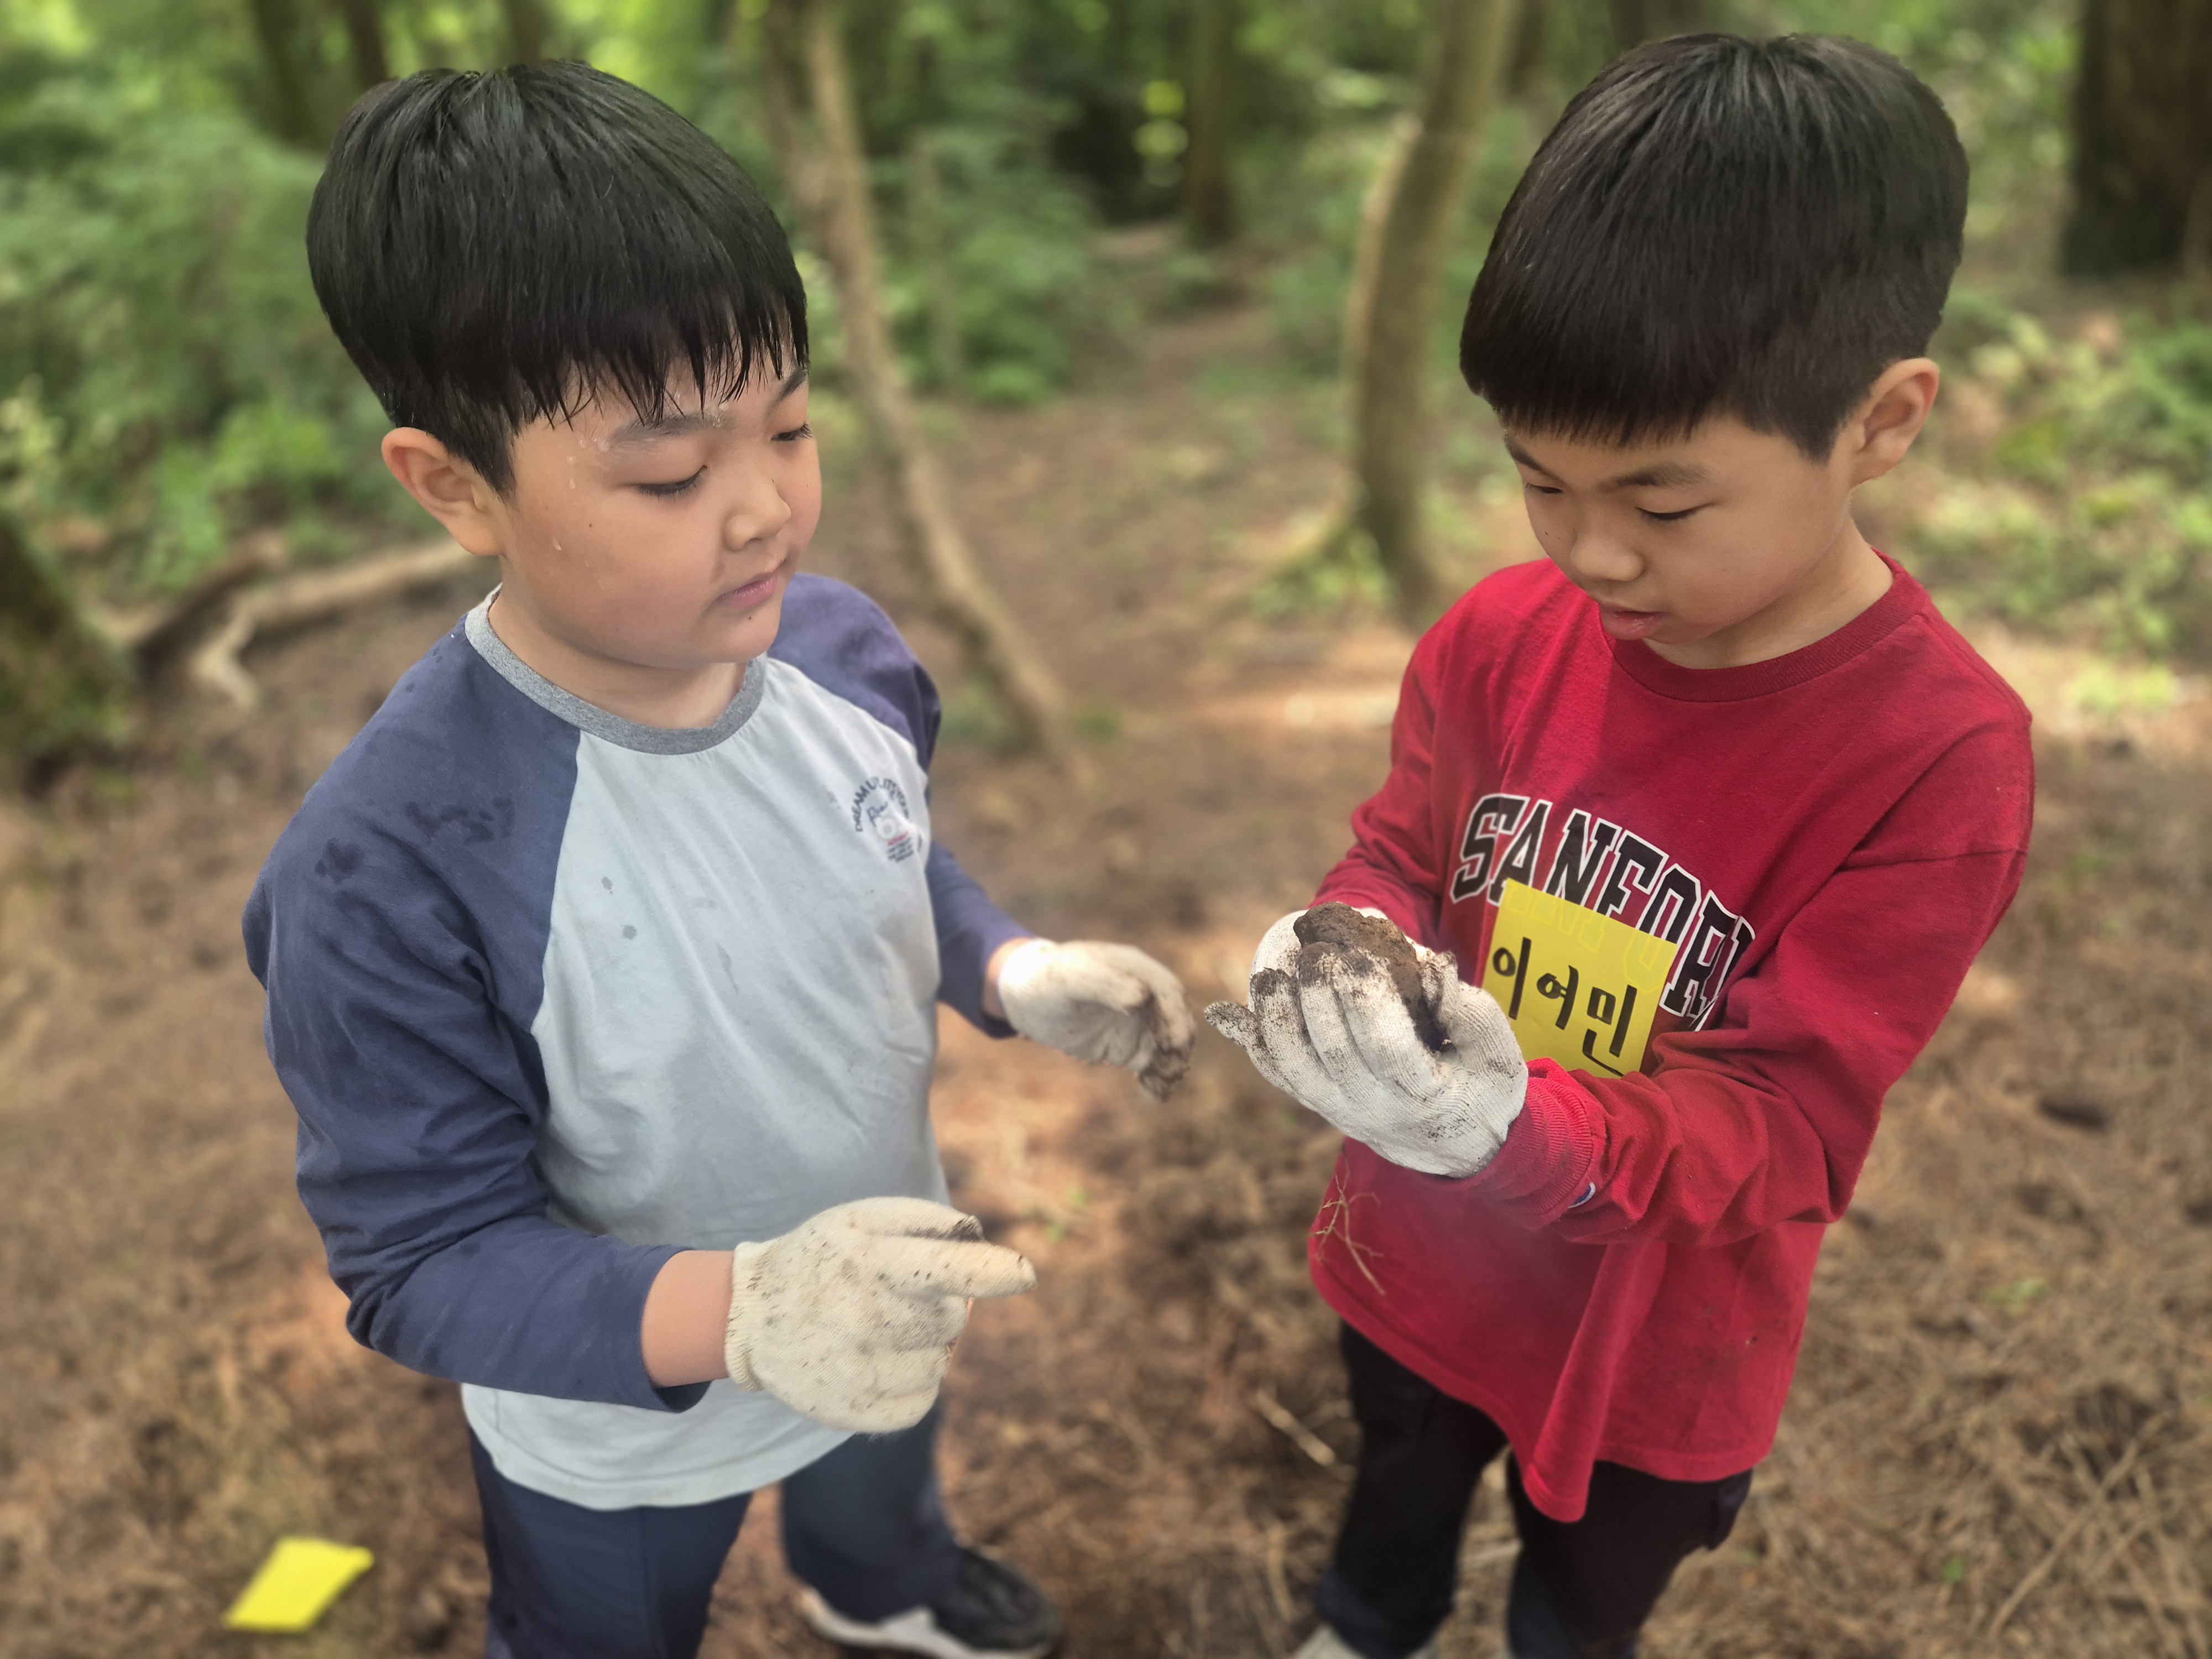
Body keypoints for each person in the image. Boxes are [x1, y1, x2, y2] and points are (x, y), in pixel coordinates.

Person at [244, 62, 1194, 1659]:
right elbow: (420, 1260)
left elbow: (882, 855)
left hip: (881, 1257)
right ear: (454, 485)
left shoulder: (842, 654)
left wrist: (1012, 968)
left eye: (791, 425)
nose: (764, 511)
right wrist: (745, 1312)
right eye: (672, 474)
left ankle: (878, 1583)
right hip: (618, 1420)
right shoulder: (389, 864)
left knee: (877, 1458)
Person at [1208, 34, 2032, 1659]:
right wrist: (1343, 945)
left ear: (1880, 422)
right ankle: (1367, 1625)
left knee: (1582, 1596)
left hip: (1659, 1338)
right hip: (1424, 1260)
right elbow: (1402, 851)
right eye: (1539, 481)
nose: (1592, 554)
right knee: (1396, 1481)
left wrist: (1526, 1127)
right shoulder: (1498, 640)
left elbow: (1787, 1118)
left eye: (1663, 507)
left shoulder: (1935, 759)